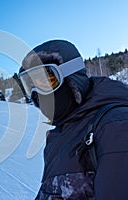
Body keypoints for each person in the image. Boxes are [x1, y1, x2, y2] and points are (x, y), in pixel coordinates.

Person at [18, 40, 128, 199]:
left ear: (71, 77)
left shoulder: (116, 126)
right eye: (31, 84)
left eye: (47, 81)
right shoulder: (59, 135)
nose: (38, 92)